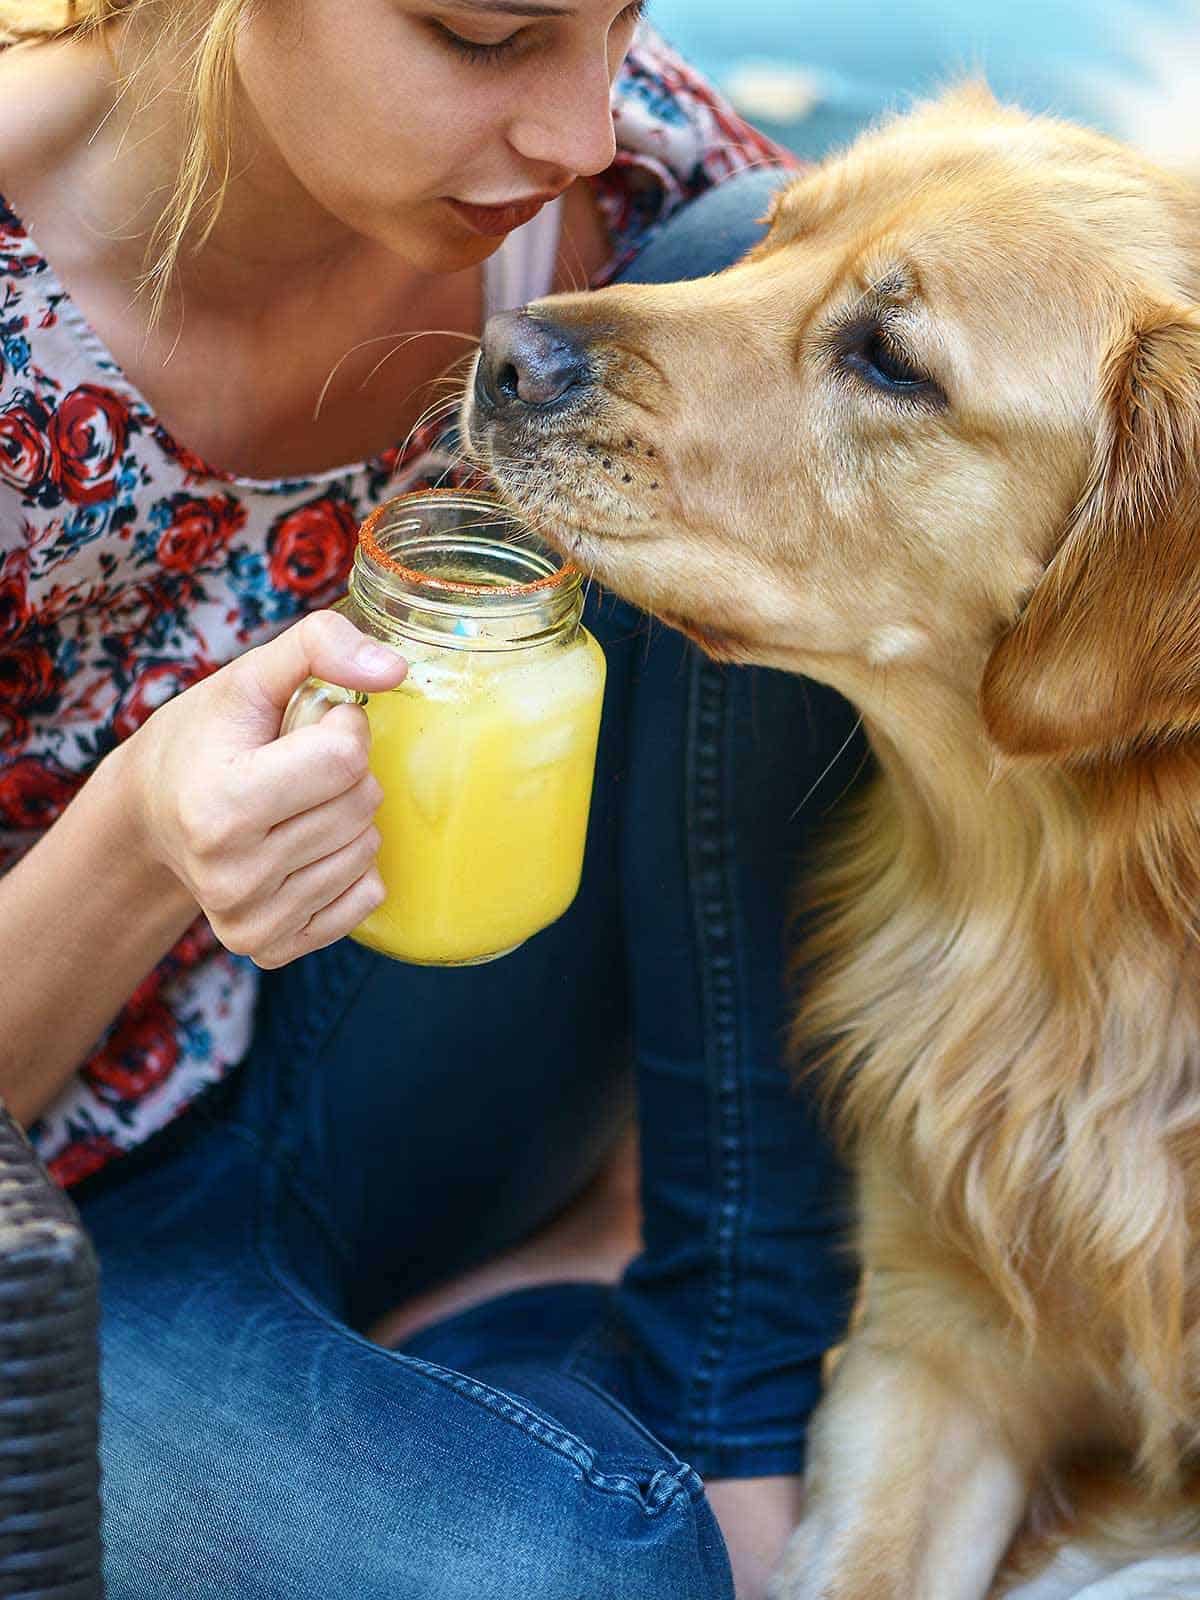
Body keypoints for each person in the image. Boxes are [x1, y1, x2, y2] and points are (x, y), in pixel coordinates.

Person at [0, 2, 864, 1595]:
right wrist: (136, 838)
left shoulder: (605, 193)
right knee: (592, 1569)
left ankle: (728, 1378)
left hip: (421, 1032)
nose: (580, 130)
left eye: (618, 23)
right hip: (68, 1228)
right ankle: (525, 1338)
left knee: (770, 309)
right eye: (485, 36)